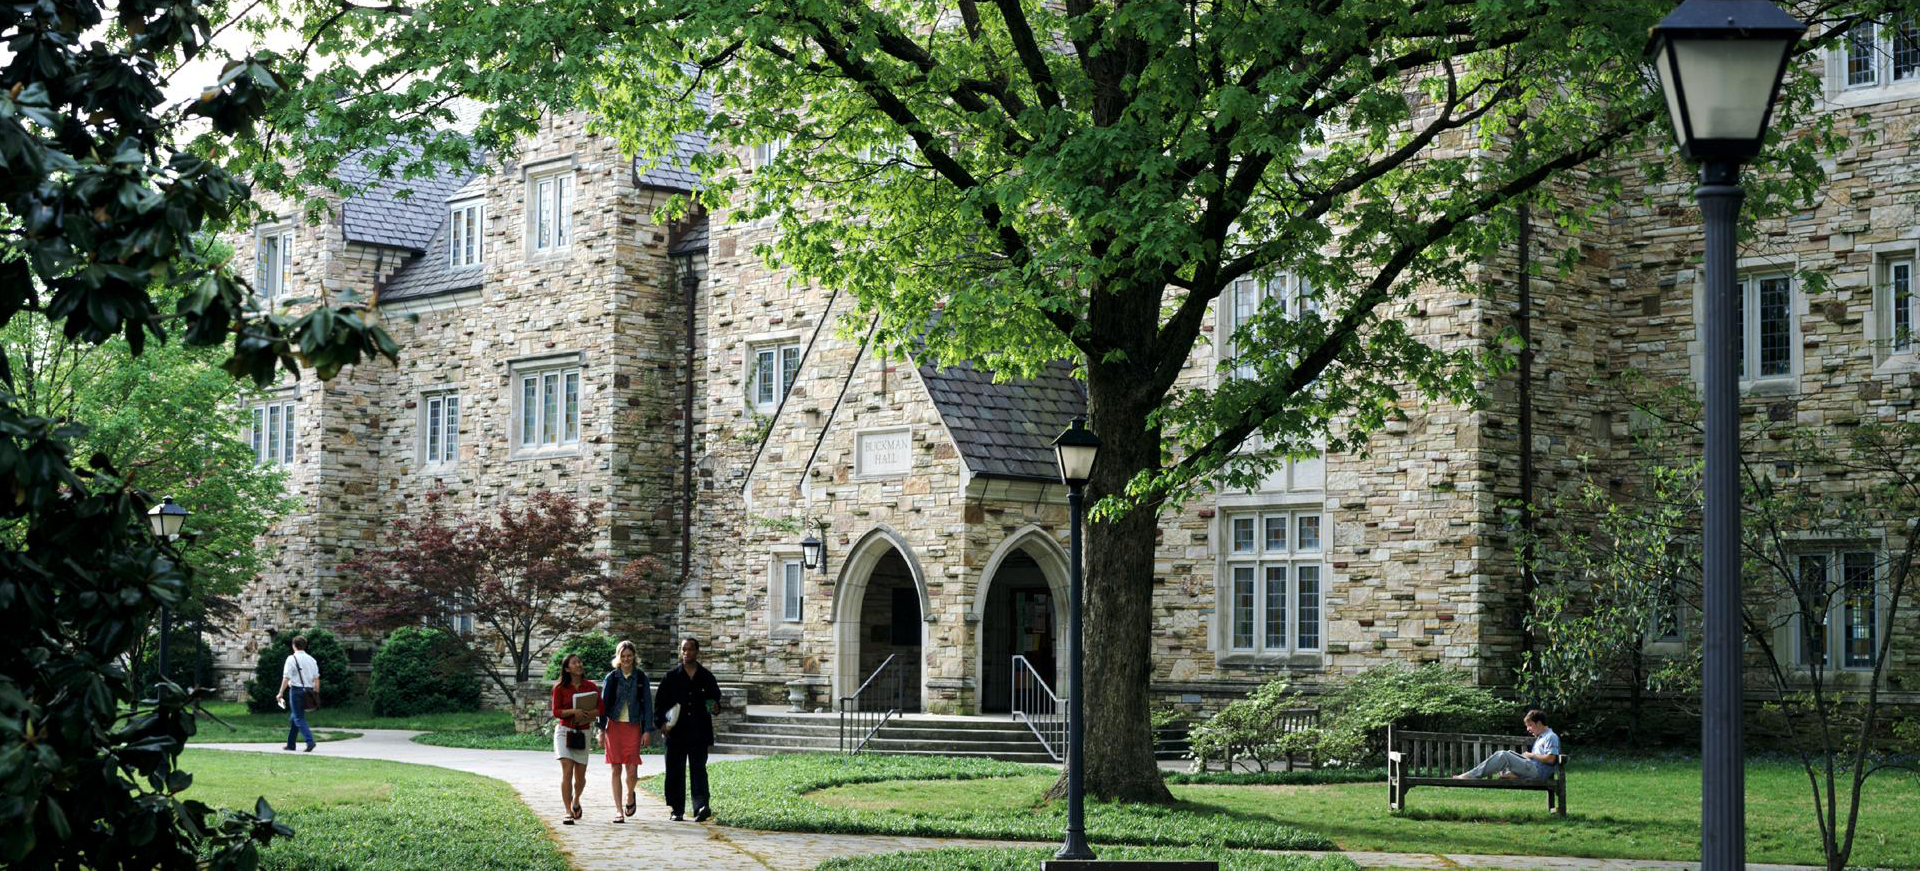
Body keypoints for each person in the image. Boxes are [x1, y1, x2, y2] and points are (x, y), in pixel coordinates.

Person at [653, 637, 722, 822]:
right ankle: (677, 810)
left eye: (690, 649)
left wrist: (715, 707)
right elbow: (659, 705)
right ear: (680, 651)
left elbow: (715, 701)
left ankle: (701, 807)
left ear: (697, 651)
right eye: (684, 649)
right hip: (676, 733)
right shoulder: (671, 677)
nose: (687, 652)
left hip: (699, 732)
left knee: (698, 769)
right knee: (675, 770)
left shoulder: (706, 676)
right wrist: (662, 724)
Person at [597, 640, 654, 824]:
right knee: (615, 768)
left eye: (629, 655)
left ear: (634, 657)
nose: (626, 659)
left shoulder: (641, 678)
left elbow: (647, 705)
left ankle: (630, 794)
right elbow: (602, 705)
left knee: (631, 769)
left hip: (633, 725)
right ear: (618, 657)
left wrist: (647, 730)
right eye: (623, 655)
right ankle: (618, 810)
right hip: (613, 726)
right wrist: (600, 730)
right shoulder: (611, 678)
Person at [551, 653, 603, 825]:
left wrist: (588, 713)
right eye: (574, 663)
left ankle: (576, 800)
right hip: (564, 732)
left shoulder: (591, 686)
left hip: (583, 733)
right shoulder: (559, 688)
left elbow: (601, 709)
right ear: (567, 668)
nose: (579, 664)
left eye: (580, 662)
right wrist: (573, 712)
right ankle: (567, 811)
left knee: (580, 777)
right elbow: (556, 711)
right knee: (567, 770)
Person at [1454, 709, 1561, 780]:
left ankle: (1470, 776)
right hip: (1532, 768)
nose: (1528, 729)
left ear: (1539, 723)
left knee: (1503, 755)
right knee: (1509, 754)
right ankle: (1511, 774)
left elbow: (1551, 759)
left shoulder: (1551, 737)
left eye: (1530, 726)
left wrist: (1531, 755)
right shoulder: (1540, 738)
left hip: (1536, 772)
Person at [274, 635, 320, 752]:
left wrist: (280, 693)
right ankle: (290, 744)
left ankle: (310, 741)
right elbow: (316, 679)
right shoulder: (311, 659)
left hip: (296, 690)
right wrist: (316, 694)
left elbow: (286, 677)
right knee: (294, 717)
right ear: (305, 645)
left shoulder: (291, 659)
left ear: (294, 645)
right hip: (309, 691)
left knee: (298, 717)